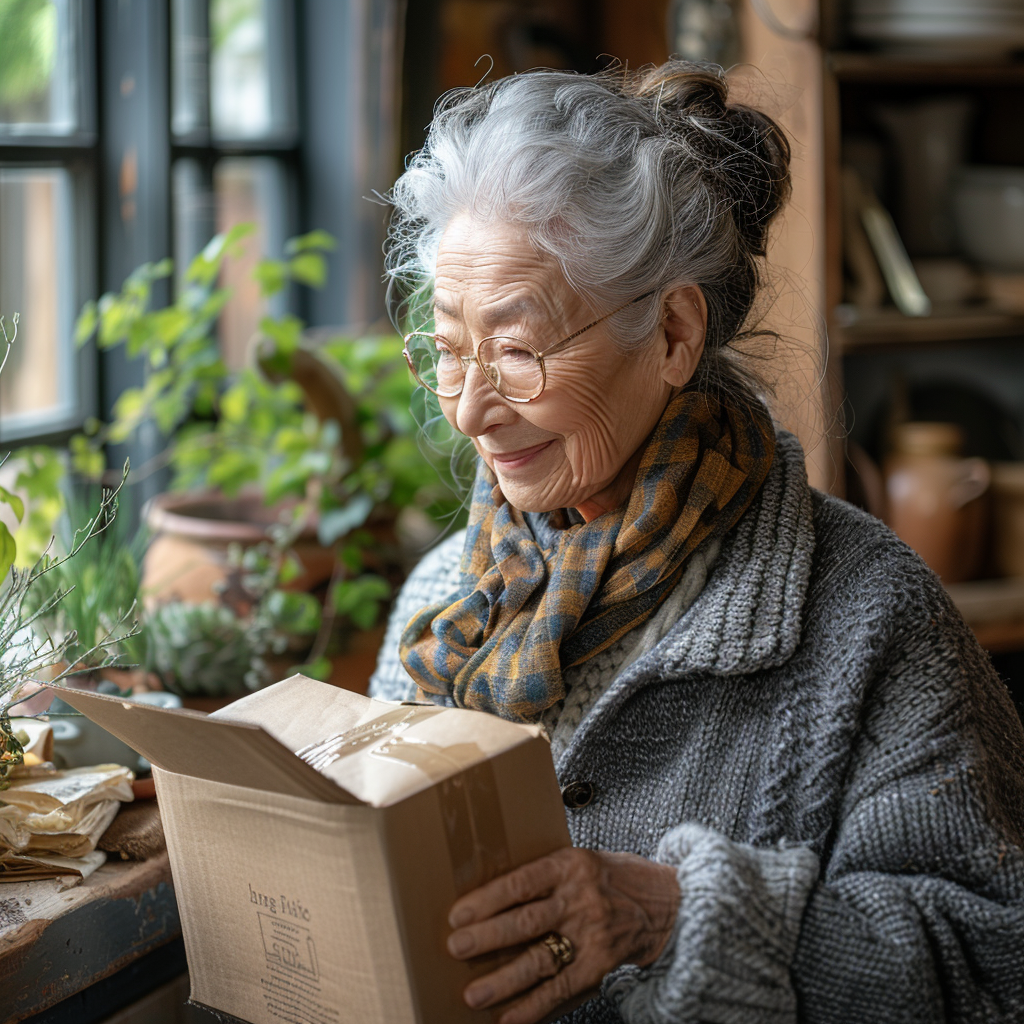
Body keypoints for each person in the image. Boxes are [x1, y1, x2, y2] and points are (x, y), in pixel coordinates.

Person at [370, 61, 1024, 1024]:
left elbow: (991, 966)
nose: (470, 411)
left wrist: (674, 917)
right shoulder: (443, 599)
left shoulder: (871, 618)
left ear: (675, 332)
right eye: (450, 351)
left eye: (516, 351)